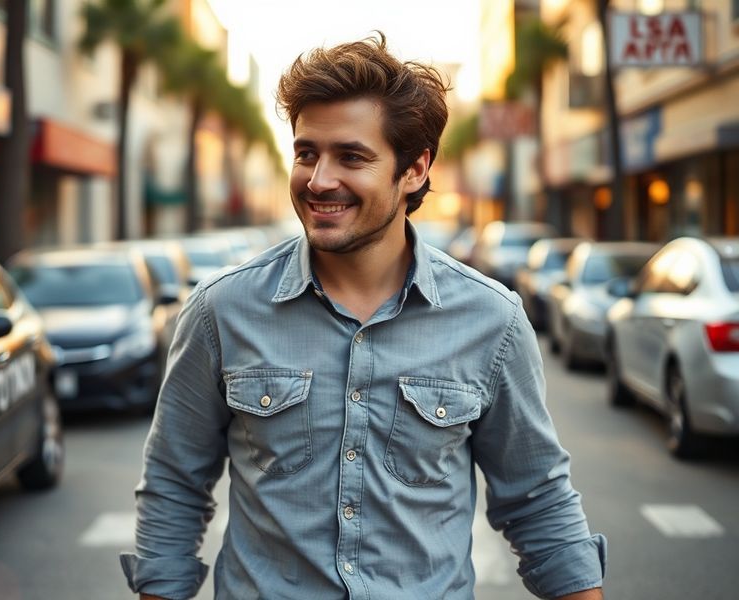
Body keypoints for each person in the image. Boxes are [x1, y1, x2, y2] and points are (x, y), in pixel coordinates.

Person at [120, 33, 606, 600]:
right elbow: (174, 487)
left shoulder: (491, 320)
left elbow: (538, 502)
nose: (319, 180)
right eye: (306, 153)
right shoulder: (221, 311)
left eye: (351, 156)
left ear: (414, 169)